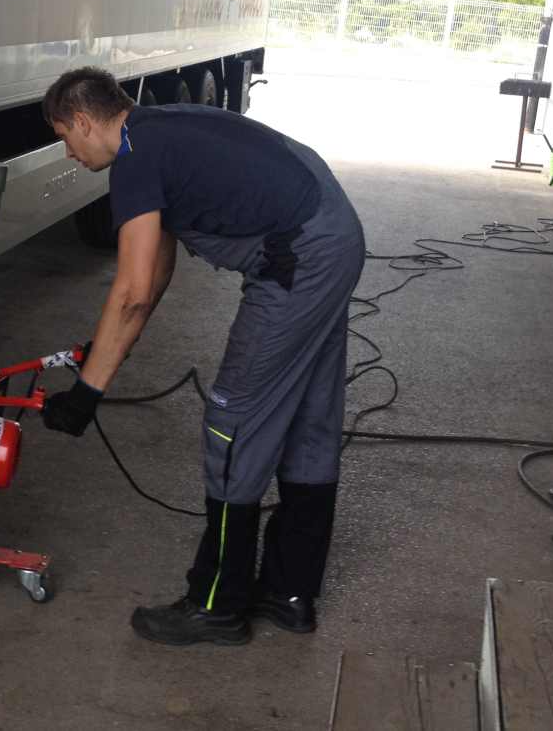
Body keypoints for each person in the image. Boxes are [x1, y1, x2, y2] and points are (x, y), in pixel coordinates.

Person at [38, 66, 365, 646]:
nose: (68, 152)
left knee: (232, 423)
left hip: (299, 258)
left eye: (64, 136)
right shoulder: (160, 133)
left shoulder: (136, 158)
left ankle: (217, 603)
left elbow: (133, 292)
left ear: (84, 121)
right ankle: (289, 592)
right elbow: (155, 273)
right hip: (331, 235)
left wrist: (87, 393)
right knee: (307, 419)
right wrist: (103, 360)